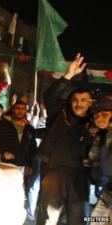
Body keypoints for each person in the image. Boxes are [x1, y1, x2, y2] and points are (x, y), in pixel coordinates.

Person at [37, 53, 93, 225]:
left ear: (91, 103)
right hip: (55, 174)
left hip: (81, 178)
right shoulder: (59, 115)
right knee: (48, 218)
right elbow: (50, 97)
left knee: (78, 219)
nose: (79, 103)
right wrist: (68, 75)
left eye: (83, 100)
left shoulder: (96, 122)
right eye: (75, 100)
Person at [0, 100, 38, 220]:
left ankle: (13, 215)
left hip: (22, 164)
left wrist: (30, 165)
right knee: (4, 190)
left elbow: (32, 148)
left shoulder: (29, 129)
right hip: (6, 164)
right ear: (13, 109)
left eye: (23, 108)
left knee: (18, 192)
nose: (20, 111)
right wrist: (3, 152)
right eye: (17, 108)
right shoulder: (2, 125)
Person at [85, 96, 112, 225]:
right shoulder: (103, 134)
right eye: (96, 115)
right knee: (95, 220)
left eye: (104, 114)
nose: (99, 117)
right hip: (107, 192)